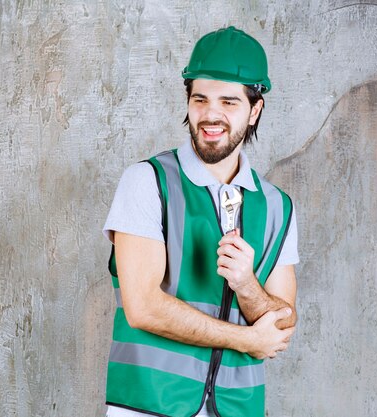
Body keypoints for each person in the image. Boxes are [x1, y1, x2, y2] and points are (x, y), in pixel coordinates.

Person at [103, 26, 299, 417]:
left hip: (238, 408)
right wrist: (246, 339)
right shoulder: (148, 182)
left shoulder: (278, 206)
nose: (211, 115)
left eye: (229, 102)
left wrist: (247, 284)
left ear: (255, 109)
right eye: (200, 99)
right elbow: (143, 307)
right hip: (149, 406)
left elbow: (281, 324)